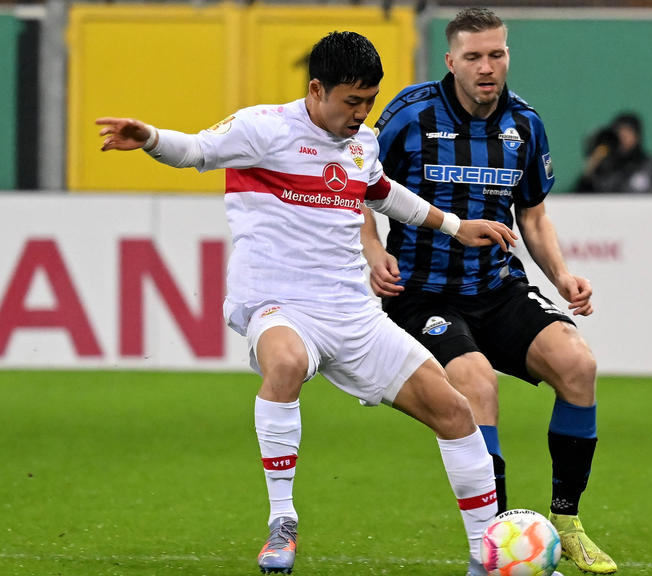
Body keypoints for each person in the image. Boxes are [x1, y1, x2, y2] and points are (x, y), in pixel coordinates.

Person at [96, 31, 514, 576]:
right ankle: (282, 521)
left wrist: (456, 227)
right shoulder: (262, 128)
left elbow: (382, 191)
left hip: (353, 314)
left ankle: (488, 557)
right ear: (316, 90)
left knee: (455, 411)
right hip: (279, 303)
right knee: (287, 362)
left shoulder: (362, 144)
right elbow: (195, 151)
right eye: (351, 102)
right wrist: (148, 136)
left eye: (369, 102)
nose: (362, 115)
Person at [361, 8, 617, 575]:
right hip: (423, 294)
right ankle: (497, 540)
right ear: (450, 61)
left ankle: (568, 524)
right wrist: (374, 252)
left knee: (578, 366)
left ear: (507, 57)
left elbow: (533, 212)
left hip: (497, 288)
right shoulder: (410, 114)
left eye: (496, 54)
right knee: (476, 382)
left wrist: (562, 275)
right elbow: (358, 189)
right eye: (473, 57)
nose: (486, 67)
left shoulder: (524, 123)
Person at [574, 111, 652, 195]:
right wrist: (589, 173)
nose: (623, 139)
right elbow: (577, 203)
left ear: (638, 136)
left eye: (627, 134)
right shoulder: (604, 173)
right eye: (619, 134)